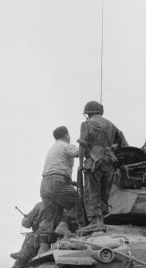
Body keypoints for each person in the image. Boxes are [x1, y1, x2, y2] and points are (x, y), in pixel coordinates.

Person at [77, 101, 128, 233]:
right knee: (104, 193)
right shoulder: (111, 125)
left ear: (88, 113)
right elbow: (123, 143)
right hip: (108, 163)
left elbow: (82, 145)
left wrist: (80, 164)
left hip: (93, 163)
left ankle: (95, 222)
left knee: (92, 192)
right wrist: (111, 148)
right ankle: (102, 220)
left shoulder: (87, 124)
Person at [39, 126, 82, 254]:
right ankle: (63, 226)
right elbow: (80, 152)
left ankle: (43, 247)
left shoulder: (53, 148)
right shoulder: (65, 145)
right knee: (79, 203)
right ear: (66, 135)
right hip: (57, 181)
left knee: (48, 216)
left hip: (45, 184)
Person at [0, 202, 42, 268]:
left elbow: (26, 223)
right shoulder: (69, 204)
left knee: (19, 264)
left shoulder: (41, 205)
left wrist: (28, 218)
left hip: (37, 240)